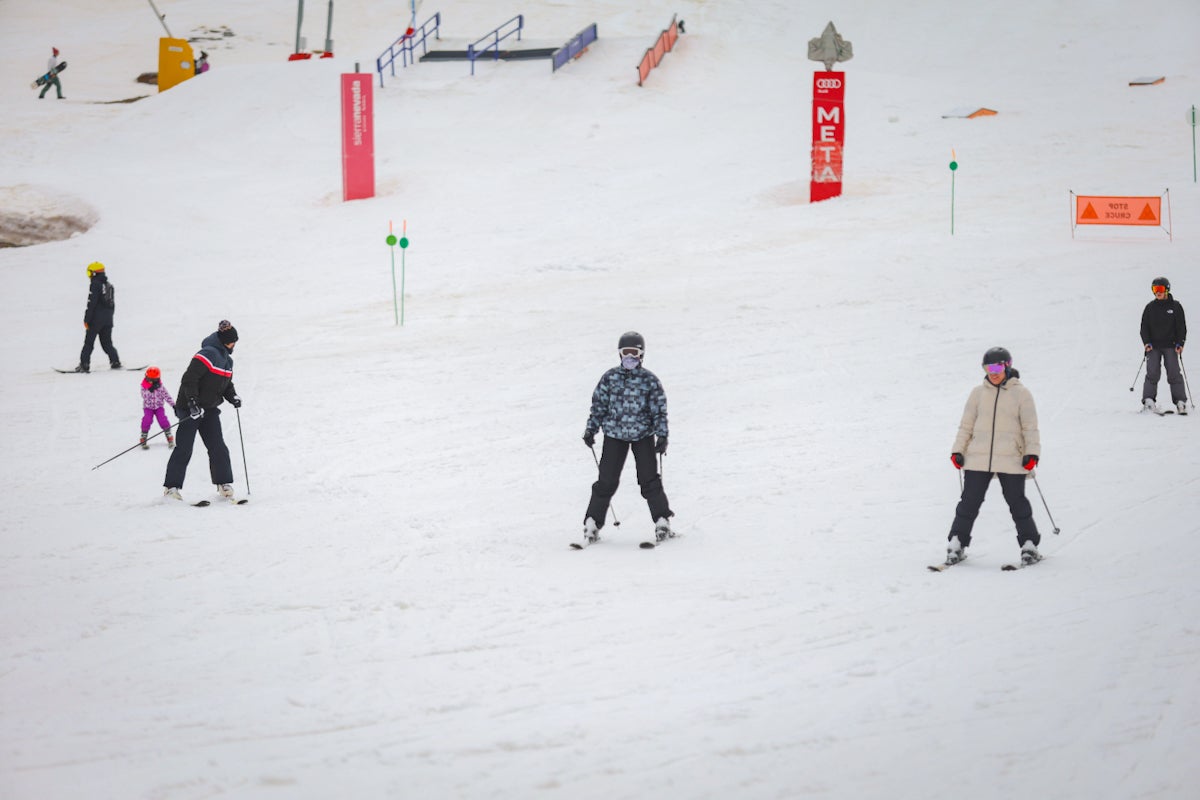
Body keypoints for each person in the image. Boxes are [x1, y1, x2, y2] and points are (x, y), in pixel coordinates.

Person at [944, 346, 1042, 567]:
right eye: (988, 367)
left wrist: (1032, 453)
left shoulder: (1022, 394)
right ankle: (957, 542)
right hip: (978, 458)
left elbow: (1030, 428)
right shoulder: (977, 394)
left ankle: (1029, 545)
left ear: (1007, 366)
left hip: (1011, 458)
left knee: (1017, 503)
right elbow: (966, 426)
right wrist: (958, 450)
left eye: (997, 366)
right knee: (968, 502)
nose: (993, 372)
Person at [580, 331, 674, 545]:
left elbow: (659, 411)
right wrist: (591, 429)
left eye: (634, 353)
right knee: (606, 480)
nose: (629, 357)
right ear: (619, 354)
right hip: (615, 435)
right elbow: (598, 406)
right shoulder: (610, 378)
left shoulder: (649, 381)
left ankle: (662, 520)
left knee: (649, 480)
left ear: (642, 355)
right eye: (625, 353)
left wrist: (662, 436)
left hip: (642, 436)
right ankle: (592, 523)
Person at [163, 320, 243, 502]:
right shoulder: (206, 354)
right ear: (224, 341)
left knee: (218, 446)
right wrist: (192, 403)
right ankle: (171, 487)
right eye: (232, 341)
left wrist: (233, 397)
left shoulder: (227, 361)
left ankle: (223, 484)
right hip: (190, 408)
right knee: (184, 447)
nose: (234, 345)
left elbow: (226, 384)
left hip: (209, 409)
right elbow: (189, 379)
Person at [1140, 276, 1188, 414]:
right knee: (1152, 373)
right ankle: (1149, 401)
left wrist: (1180, 343)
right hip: (1153, 347)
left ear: (1167, 289)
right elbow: (1144, 327)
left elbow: (1181, 327)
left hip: (1171, 346)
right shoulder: (1150, 308)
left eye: (1160, 289)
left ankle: (1180, 402)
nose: (1157, 292)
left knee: (1174, 374)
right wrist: (1146, 342)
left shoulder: (1175, 307)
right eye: (1155, 289)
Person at [74, 261, 121, 372]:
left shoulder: (95, 284)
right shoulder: (109, 285)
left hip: (95, 321)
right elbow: (112, 305)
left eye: (89, 273)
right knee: (107, 343)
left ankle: (84, 364)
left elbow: (92, 303)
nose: (89, 276)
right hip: (108, 320)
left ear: (94, 273)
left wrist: (87, 319)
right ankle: (115, 361)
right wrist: (109, 319)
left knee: (89, 343)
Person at [139, 367, 176, 450]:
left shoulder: (160, 387)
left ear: (157, 379)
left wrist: (173, 405)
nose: (150, 381)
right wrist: (150, 389)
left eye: (153, 379)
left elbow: (166, 395)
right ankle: (143, 436)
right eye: (148, 378)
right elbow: (144, 396)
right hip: (148, 407)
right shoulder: (144, 385)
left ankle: (168, 435)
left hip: (159, 407)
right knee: (147, 419)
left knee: (163, 419)